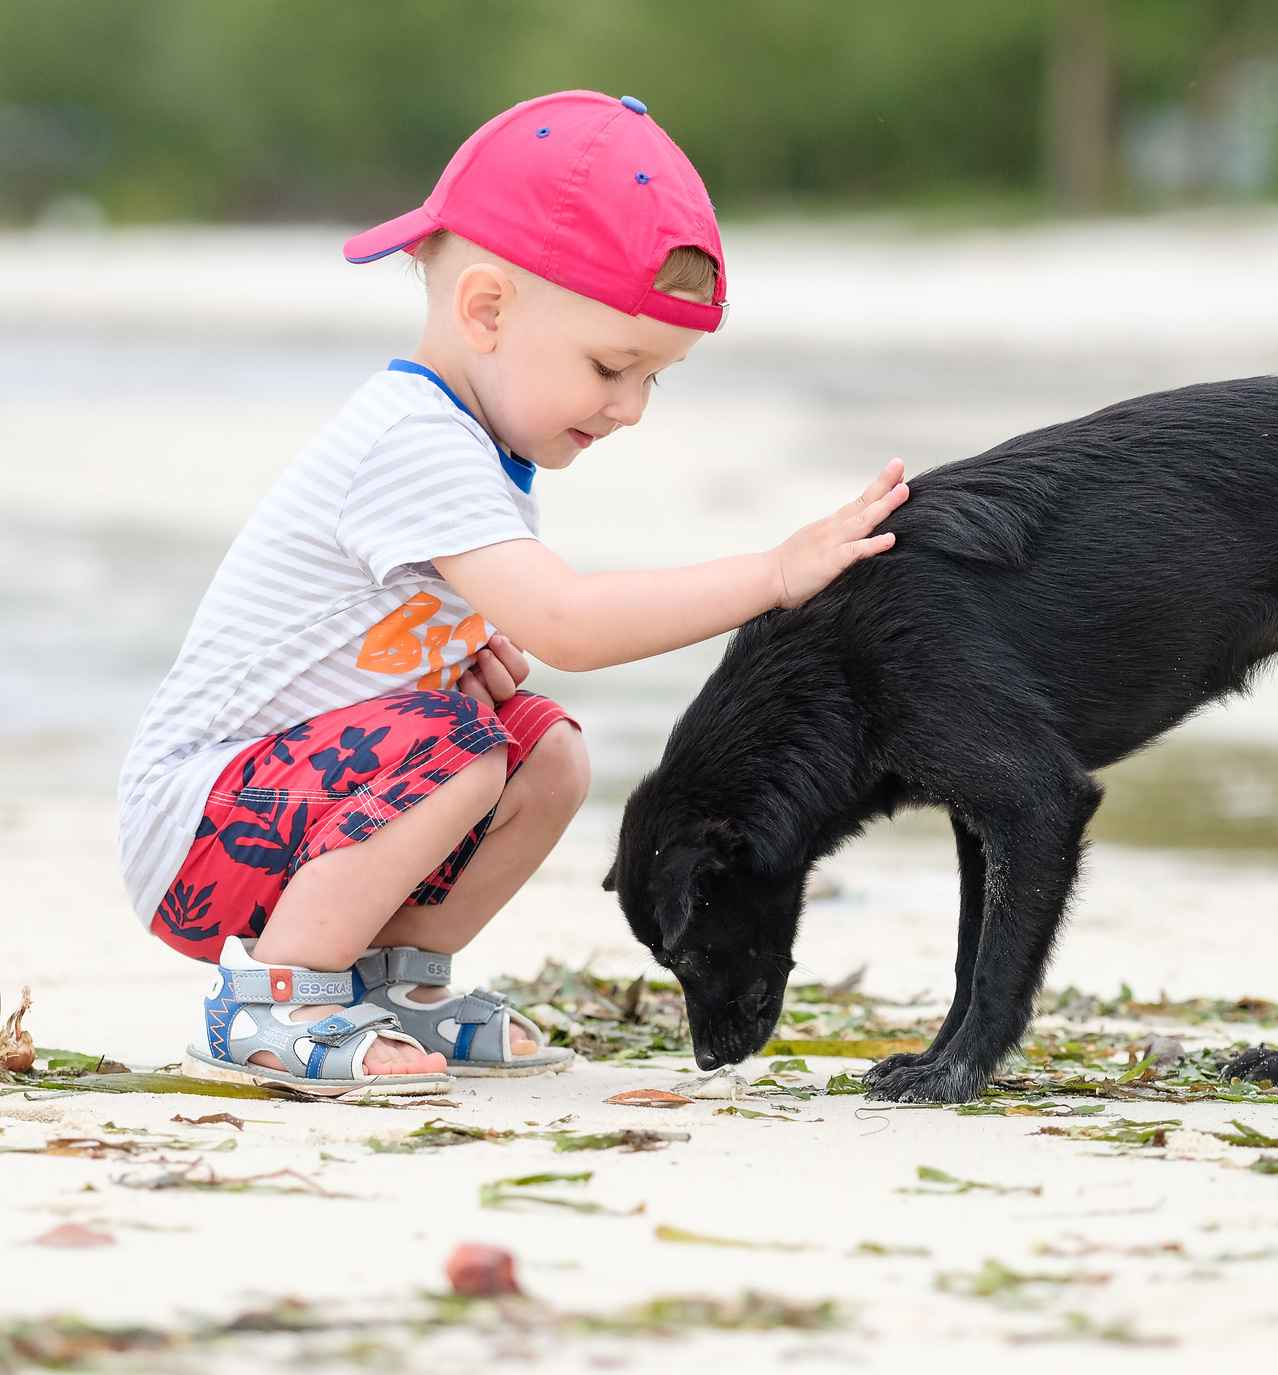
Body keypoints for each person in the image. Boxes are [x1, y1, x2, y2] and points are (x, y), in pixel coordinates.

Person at [116, 90, 909, 1096]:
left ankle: (393, 979)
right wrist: (775, 574)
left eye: (654, 378)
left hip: (291, 802)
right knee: (463, 751)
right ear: (486, 310)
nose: (630, 408)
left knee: (546, 753)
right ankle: (275, 999)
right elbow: (569, 623)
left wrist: (446, 663)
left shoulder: (471, 445)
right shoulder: (413, 440)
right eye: (611, 366)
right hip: (196, 819)